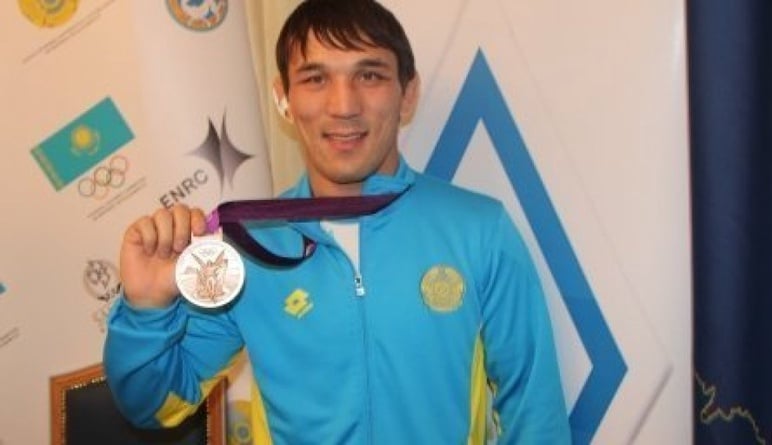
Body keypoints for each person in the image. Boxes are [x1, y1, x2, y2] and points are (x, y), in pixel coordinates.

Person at [103, 0, 571, 443]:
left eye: (369, 75)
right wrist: (146, 312)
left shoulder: (479, 231)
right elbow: (154, 407)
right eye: (315, 78)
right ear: (283, 99)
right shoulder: (249, 247)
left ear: (407, 95)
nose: (343, 105)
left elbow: (536, 415)